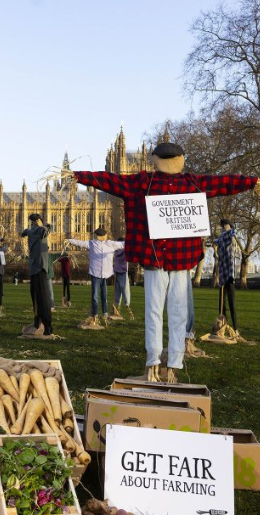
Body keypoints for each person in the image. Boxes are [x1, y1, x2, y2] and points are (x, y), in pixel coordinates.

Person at [71, 142, 259, 382]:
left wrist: (78, 176)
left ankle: (154, 364)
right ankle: (171, 366)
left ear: (155, 159)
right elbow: (223, 183)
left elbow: (110, 181)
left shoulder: (143, 182)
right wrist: (251, 182)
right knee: (176, 313)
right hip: (176, 259)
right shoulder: (191, 183)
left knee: (154, 312)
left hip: (155, 258)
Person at [67, 228, 126, 329]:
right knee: (95, 295)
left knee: (104, 295)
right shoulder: (92, 243)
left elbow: (122, 244)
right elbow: (80, 243)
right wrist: (69, 240)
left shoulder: (110, 244)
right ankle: (95, 314)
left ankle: (105, 313)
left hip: (105, 273)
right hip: (95, 272)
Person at [20, 214, 59, 338]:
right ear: (38, 221)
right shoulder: (38, 229)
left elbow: (24, 232)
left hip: (33, 269)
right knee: (43, 298)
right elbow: (46, 230)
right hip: (40, 268)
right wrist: (46, 225)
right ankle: (47, 327)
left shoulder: (30, 231)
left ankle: (38, 322)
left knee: (36, 298)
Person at [212, 219, 240, 329]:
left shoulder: (230, 234)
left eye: (226, 224)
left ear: (230, 225)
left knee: (232, 304)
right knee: (221, 304)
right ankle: (224, 325)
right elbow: (215, 242)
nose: (224, 226)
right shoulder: (222, 237)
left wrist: (231, 232)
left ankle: (236, 327)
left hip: (229, 273)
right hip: (222, 273)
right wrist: (215, 251)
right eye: (223, 225)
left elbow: (232, 234)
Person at [111, 246, 132, 320]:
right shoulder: (125, 250)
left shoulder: (116, 251)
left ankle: (117, 306)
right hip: (123, 272)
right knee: (124, 289)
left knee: (119, 290)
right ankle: (125, 306)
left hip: (118, 271)